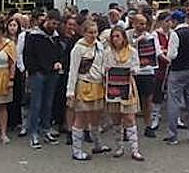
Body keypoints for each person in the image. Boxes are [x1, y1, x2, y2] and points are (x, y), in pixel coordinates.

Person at [100, 27, 144, 161]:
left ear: (124, 37)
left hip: (127, 87)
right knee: (116, 119)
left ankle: (134, 149)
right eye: (113, 37)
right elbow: (102, 68)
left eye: (118, 36)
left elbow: (138, 67)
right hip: (112, 88)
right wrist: (105, 70)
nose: (115, 39)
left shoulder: (132, 51)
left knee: (130, 118)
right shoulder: (107, 52)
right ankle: (119, 147)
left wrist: (132, 70)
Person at [65, 18, 106, 160]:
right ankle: (77, 150)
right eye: (90, 32)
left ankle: (97, 144)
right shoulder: (78, 48)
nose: (93, 35)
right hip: (84, 85)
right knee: (80, 118)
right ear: (84, 33)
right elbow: (73, 70)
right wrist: (70, 91)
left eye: (95, 32)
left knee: (96, 117)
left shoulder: (100, 46)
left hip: (98, 84)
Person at [22, 12, 63, 149]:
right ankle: (33, 133)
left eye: (57, 24)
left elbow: (59, 53)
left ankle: (46, 130)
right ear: (47, 20)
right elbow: (28, 55)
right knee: (36, 104)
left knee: (48, 103)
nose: (54, 26)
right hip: (38, 74)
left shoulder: (55, 36)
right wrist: (34, 70)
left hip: (52, 73)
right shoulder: (34, 35)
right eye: (53, 23)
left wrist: (58, 62)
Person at [163, 10, 189, 145]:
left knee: (174, 101)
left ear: (174, 21)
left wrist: (166, 53)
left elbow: (171, 55)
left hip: (177, 70)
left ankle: (173, 135)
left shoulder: (175, 34)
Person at [129, 13, 159, 138]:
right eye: (140, 23)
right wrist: (136, 42)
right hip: (133, 72)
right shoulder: (128, 36)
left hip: (147, 72)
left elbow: (156, 52)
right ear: (134, 24)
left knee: (147, 100)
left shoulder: (150, 37)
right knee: (131, 102)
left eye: (145, 24)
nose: (143, 26)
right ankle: (130, 128)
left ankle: (148, 126)